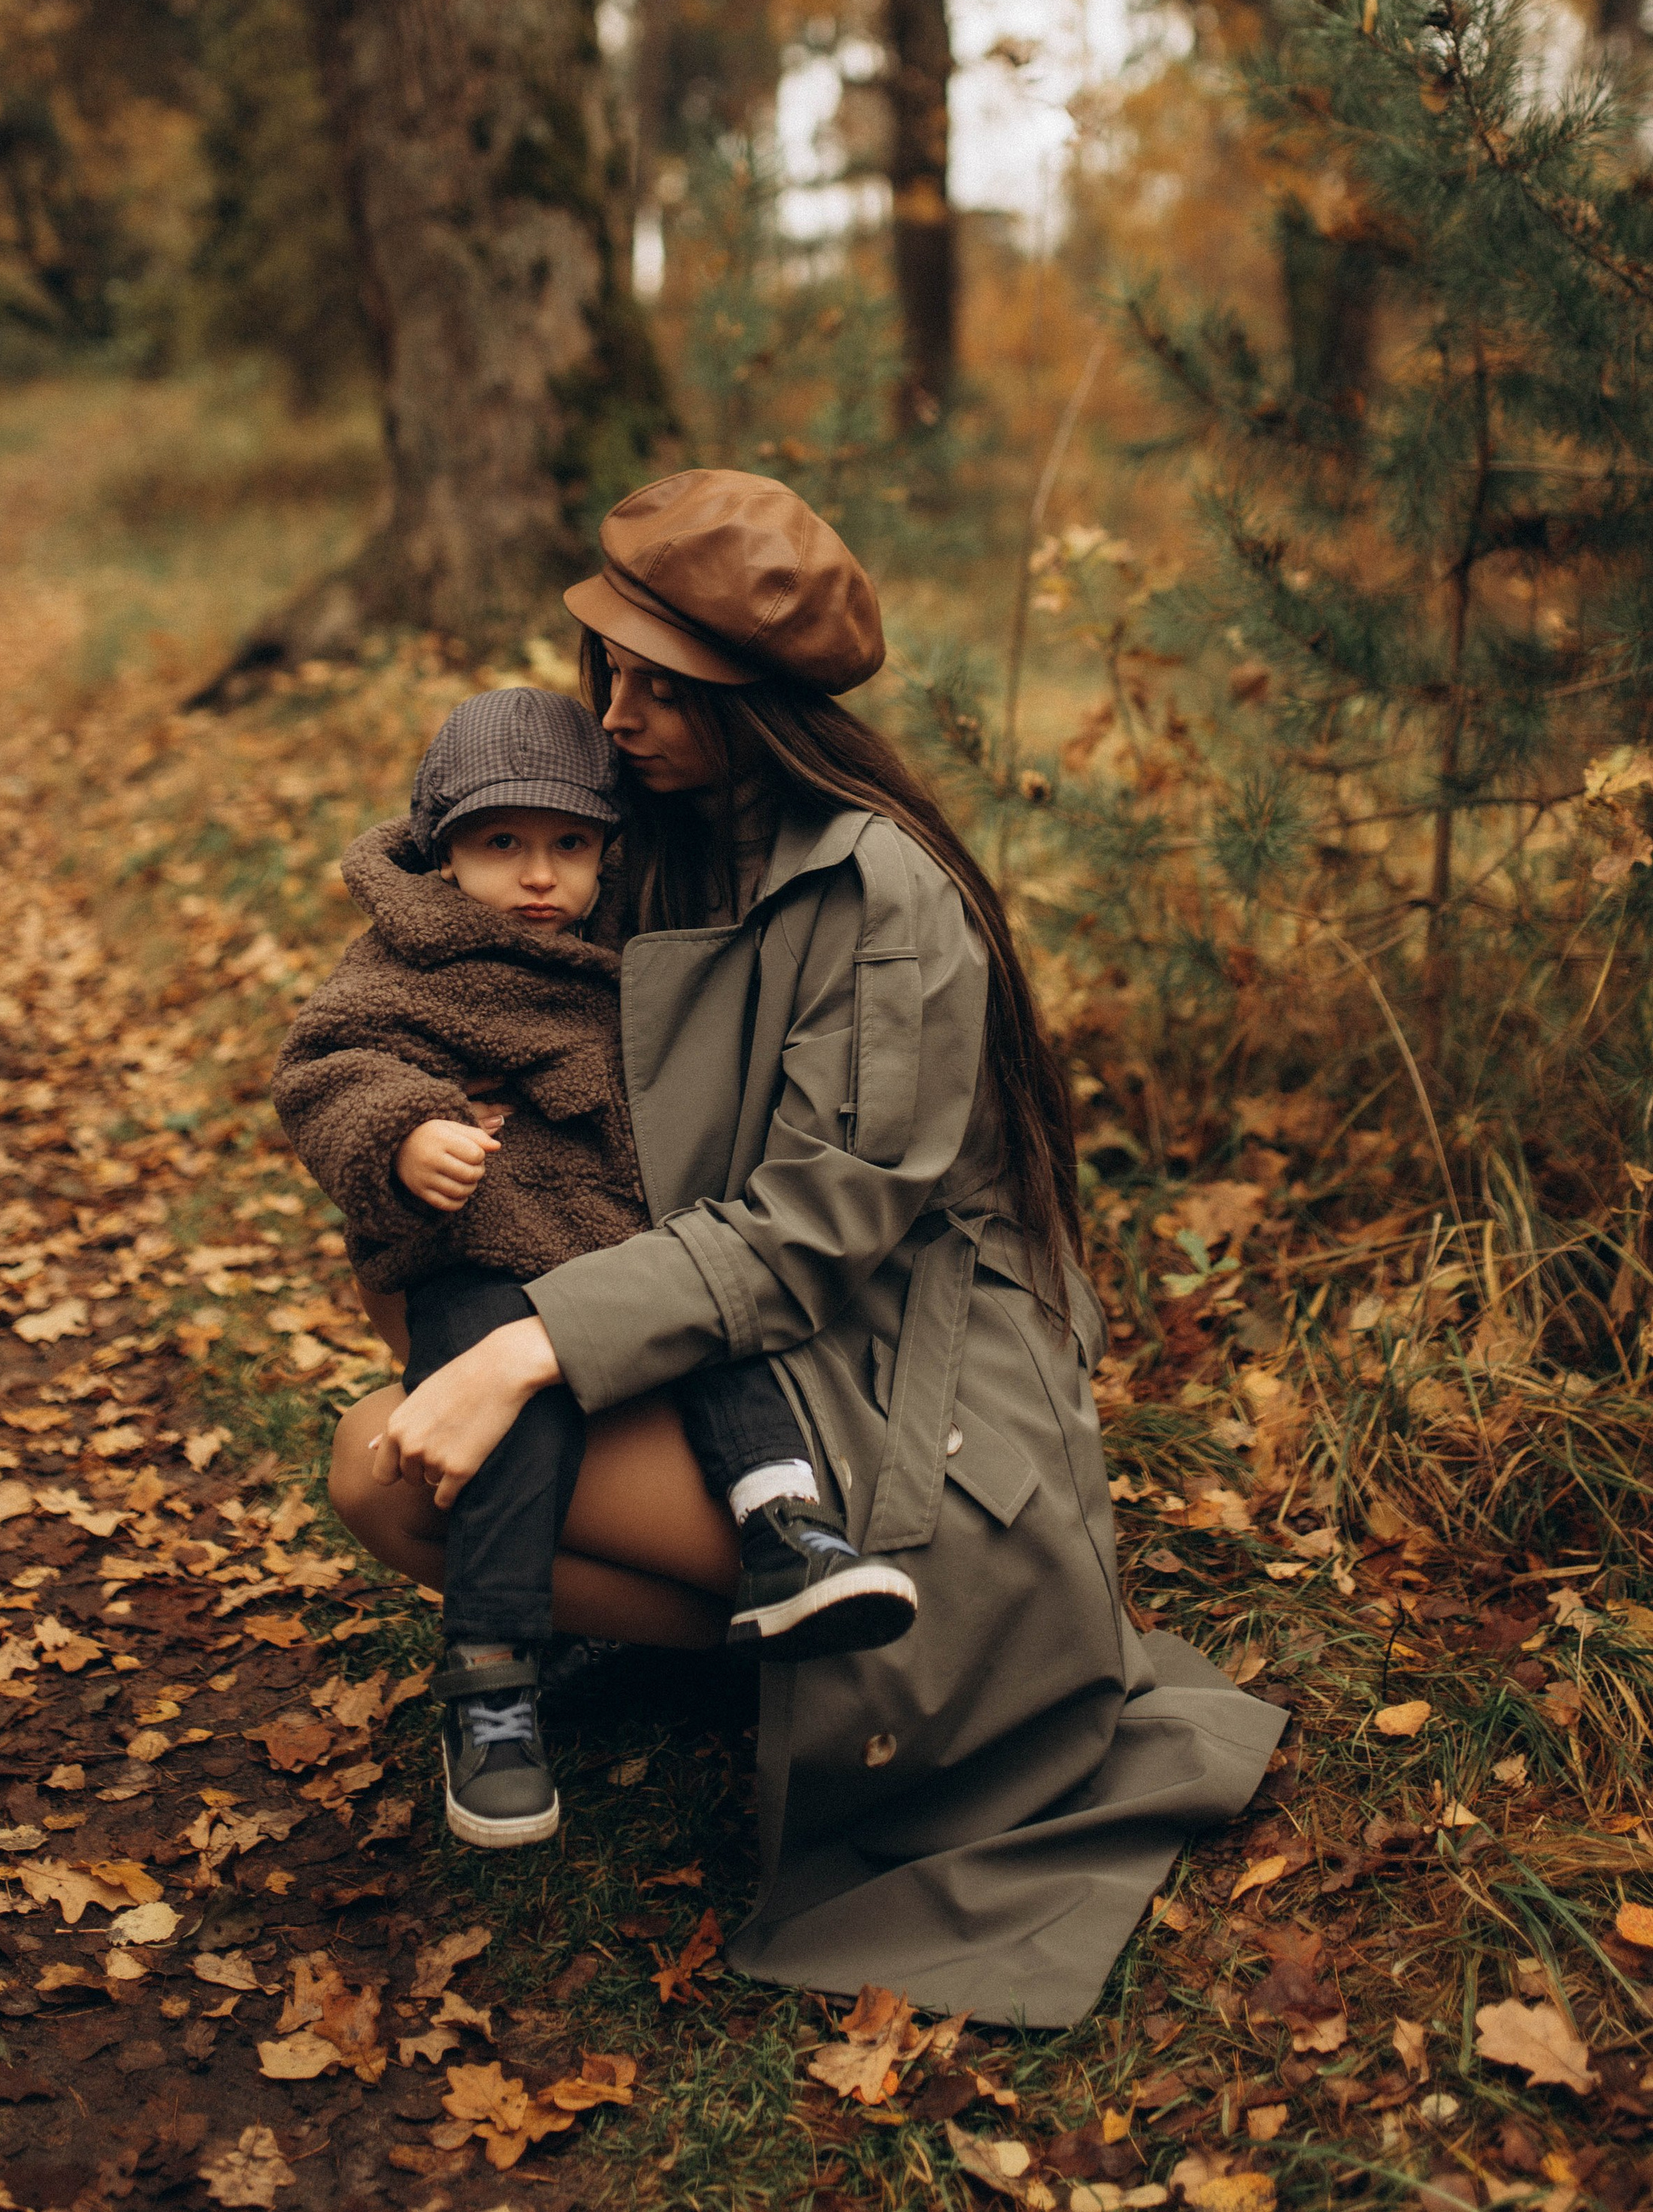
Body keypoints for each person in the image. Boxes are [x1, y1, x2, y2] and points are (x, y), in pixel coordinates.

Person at [327, 473, 1286, 2025]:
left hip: (897, 1384)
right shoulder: (655, 839)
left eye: (660, 686)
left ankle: (819, 1654)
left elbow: (808, 1233)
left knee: (391, 1463)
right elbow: (439, 924)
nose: (617, 714)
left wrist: (526, 1345)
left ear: (755, 703)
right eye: (611, 672)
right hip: (747, 1341)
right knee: (430, 1299)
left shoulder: (879, 893)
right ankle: (746, 1636)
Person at [272, 685, 914, 1851]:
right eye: (502, 844)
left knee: (717, 1332)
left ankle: (785, 1530)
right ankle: (495, 1679)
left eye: (570, 845)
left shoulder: (628, 945)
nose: (538, 876)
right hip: (490, 1247)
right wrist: (408, 1129)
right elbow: (329, 1061)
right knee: (516, 1427)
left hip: (628, 1243)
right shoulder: (412, 955)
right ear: (440, 846)